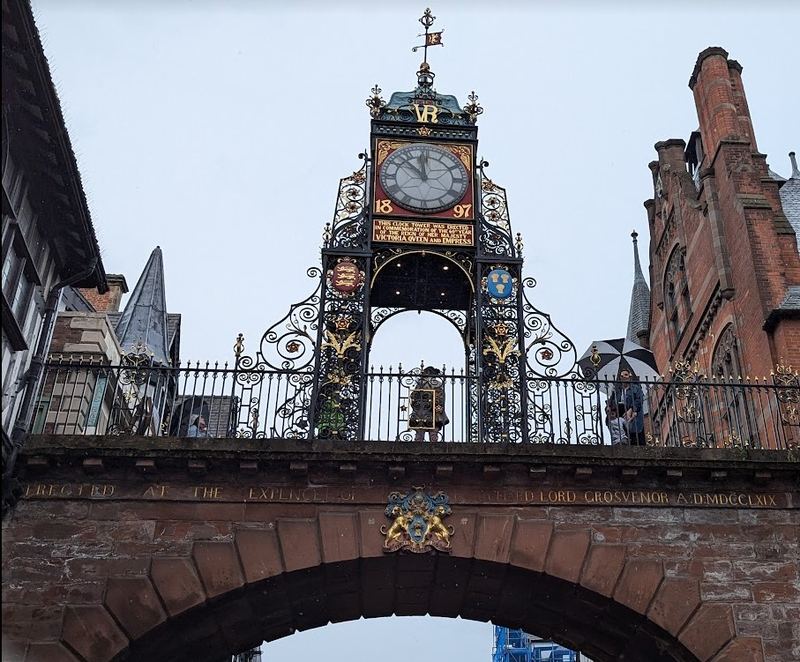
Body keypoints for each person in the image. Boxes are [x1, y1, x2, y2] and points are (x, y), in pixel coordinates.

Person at [410, 366, 449, 442]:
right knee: (433, 432)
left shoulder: (421, 383)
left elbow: (413, 397)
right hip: (432, 410)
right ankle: (433, 445)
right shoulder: (436, 383)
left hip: (422, 410)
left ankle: (418, 444)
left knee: (420, 431)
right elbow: (440, 397)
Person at [613, 368, 645, 446]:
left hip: (633, 414)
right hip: (621, 414)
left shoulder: (635, 388)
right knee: (624, 435)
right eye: (622, 375)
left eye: (626, 375)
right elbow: (612, 403)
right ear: (620, 378)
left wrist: (631, 410)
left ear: (629, 377)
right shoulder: (617, 391)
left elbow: (639, 399)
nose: (624, 377)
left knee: (636, 437)